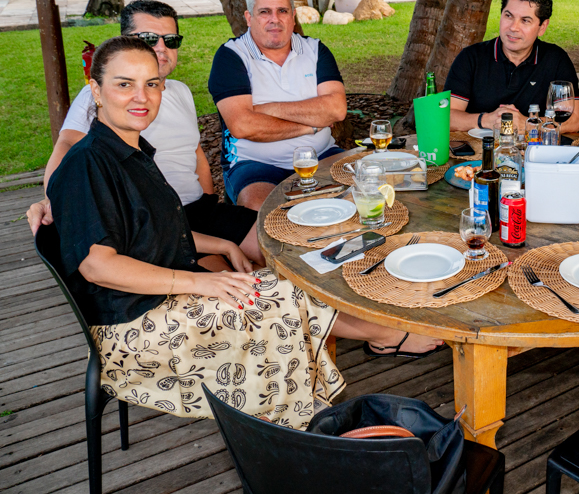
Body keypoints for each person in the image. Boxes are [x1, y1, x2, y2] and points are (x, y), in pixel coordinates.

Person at [44, 37, 445, 427]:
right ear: (95, 90)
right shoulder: (88, 163)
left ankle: (303, 411)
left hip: (160, 300)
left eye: (151, 84)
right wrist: (204, 284)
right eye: (124, 84)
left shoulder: (131, 151)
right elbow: (98, 266)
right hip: (137, 331)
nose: (141, 97)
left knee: (288, 281)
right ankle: (293, 420)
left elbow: (154, 231)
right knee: (277, 297)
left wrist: (221, 244)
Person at [26, 0, 262, 266]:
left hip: (199, 210)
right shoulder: (105, 96)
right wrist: (53, 199)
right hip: (150, 220)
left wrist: (209, 202)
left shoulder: (181, 91)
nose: (162, 48)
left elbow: (194, 153)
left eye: (170, 40)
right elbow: (69, 144)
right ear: (126, 41)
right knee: (231, 282)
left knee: (280, 247)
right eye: (150, 38)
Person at [209, 0, 348, 210]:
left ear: (293, 16)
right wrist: (310, 126)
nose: (275, 20)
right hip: (255, 164)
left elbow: (336, 109)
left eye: (282, 10)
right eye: (264, 12)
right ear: (249, 18)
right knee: (265, 212)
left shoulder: (315, 50)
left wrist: (268, 109)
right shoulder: (231, 56)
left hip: (321, 154)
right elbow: (243, 126)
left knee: (363, 189)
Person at [444, 0, 579, 133]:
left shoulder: (556, 60)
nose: (513, 27)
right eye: (508, 16)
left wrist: (527, 124)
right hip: (479, 152)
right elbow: (447, 117)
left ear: (542, 27)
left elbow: (574, 120)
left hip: (535, 151)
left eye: (525, 20)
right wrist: (487, 120)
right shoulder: (471, 58)